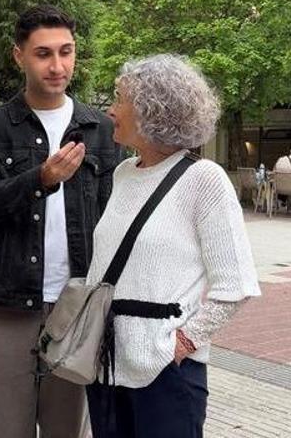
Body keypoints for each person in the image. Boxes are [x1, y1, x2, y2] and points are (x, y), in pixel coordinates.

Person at [84, 54, 261, 438]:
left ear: (151, 109)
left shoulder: (204, 180)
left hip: (166, 373)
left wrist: (180, 345)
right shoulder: (122, 174)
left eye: (119, 98)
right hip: (105, 367)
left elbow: (236, 286)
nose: (111, 109)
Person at [0, 5, 121, 438]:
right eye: (43, 54)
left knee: (66, 429)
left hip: (78, 306)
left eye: (66, 52)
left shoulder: (100, 130)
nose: (57, 66)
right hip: (9, 304)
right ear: (19, 56)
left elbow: (114, 219)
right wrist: (41, 178)